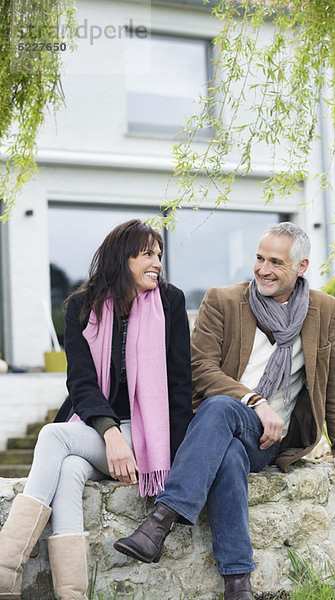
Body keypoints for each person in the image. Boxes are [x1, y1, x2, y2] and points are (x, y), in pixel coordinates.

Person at [113, 221, 335, 600]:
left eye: (276, 263)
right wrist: (255, 400)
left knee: (225, 420)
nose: (263, 269)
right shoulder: (224, 301)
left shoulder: (324, 310)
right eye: (259, 258)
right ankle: (238, 584)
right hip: (218, 426)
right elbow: (200, 369)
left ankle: (158, 524)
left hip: (269, 439)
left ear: (301, 267)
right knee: (224, 436)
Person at [0, 219, 193, 600]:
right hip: (99, 430)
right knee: (70, 469)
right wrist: (111, 434)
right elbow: (82, 383)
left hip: (148, 434)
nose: (156, 262)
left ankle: (5, 570)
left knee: (53, 436)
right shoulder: (81, 307)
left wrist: (176, 458)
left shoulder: (170, 302)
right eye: (146, 255)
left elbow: (180, 385)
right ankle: (72, 593)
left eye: (159, 255)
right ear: (122, 259)